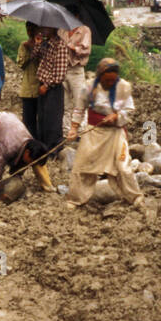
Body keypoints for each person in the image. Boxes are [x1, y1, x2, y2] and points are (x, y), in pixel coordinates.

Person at [64, 58, 144, 209]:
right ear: (100, 76)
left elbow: (129, 110)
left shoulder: (124, 87)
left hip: (115, 132)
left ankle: (134, 197)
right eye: (107, 80)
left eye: (113, 80)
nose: (110, 83)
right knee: (82, 165)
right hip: (94, 131)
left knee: (123, 166)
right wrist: (74, 128)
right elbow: (79, 109)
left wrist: (116, 116)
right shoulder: (88, 87)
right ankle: (75, 199)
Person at [0, 111, 53, 201]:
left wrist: (16, 177)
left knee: (26, 164)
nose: (30, 165)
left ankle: (48, 186)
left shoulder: (30, 144)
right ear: (27, 153)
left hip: (9, 125)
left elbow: (23, 164)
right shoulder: (8, 147)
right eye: (30, 161)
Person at [33, 24, 69, 154]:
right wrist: (37, 44)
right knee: (42, 118)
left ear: (54, 28)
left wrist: (46, 85)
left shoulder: (61, 46)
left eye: (46, 29)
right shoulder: (46, 44)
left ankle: (53, 149)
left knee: (52, 119)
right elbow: (35, 58)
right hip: (43, 84)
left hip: (52, 87)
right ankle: (44, 148)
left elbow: (60, 74)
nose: (43, 31)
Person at [61, 8, 94, 138]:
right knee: (65, 103)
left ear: (77, 16)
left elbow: (86, 50)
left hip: (76, 69)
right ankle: (66, 131)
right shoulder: (62, 30)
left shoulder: (85, 30)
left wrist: (73, 47)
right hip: (63, 68)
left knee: (80, 101)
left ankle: (82, 132)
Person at [16, 24, 41, 141]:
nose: (30, 32)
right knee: (27, 122)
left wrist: (36, 47)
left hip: (40, 89)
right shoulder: (23, 45)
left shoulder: (43, 45)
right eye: (28, 30)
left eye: (33, 29)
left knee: (41, 122)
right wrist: (29, 50)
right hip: (27, 90)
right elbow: (21, 64)